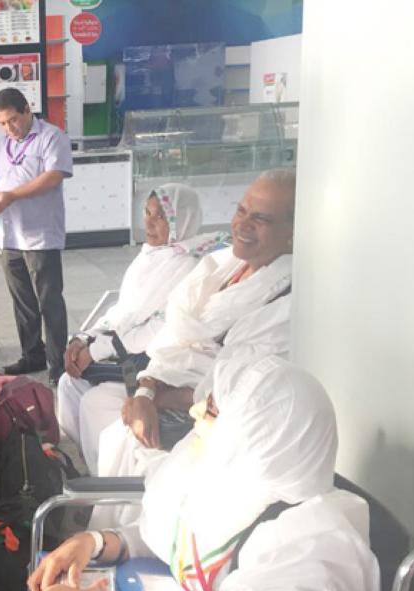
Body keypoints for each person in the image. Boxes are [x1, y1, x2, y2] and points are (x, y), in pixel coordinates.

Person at [27, 356, 380, 591]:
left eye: (212, 411)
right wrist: (96, 544)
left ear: (255, 438)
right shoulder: (238, 491)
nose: (195, 412)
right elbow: (174, 539)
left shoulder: (304, 558)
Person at [92, 170, 296, 515]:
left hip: (216, 428)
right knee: (113, 433)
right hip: (162, 390)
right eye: (241, 211)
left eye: (260, 218)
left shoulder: (286, 301)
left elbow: (236, 388)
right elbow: (171, 341)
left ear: (292, 234)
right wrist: (144, 393)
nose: (243, 225)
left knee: (135, 455)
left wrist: (153, 399)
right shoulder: (220, 266)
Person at [57, 183, 228, 472]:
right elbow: (122, 311)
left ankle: (106, 482)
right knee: (67, 383)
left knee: (93, 402)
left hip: (154, 361)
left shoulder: (188, 264)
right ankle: (90, 464)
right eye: (147, 213)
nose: (148, 221)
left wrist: (97, 351)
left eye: (160, 216)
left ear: (181, 220)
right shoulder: (153, 255)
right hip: (123, 349)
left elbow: (160, 327)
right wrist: (83, 339)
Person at [0, 87, 73, 385]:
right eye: (1, 123)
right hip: (9, 234)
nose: (9, 127)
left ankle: (58, 364)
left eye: (12, 119)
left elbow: (53, 177)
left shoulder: (52, 137)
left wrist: (11, 196)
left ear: (27, 110)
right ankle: (32, 354)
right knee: (22, 300)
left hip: (40, 236)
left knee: (49, 300)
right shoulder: (4, 144)